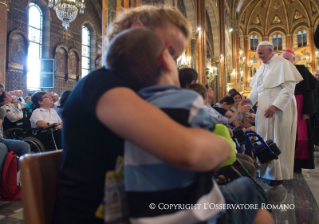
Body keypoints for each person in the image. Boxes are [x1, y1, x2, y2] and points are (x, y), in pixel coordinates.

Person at [52, 6, 238, 224]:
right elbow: (189, 152)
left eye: (175, 57)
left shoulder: (142, 94)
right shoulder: (102, 84)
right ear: (137, 31)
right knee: (247, 196)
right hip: (101, 216)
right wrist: (223, 147)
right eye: (168, 51)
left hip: (144, 209)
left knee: (243, 194)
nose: (171, 65)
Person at [106, 27, 270, 224]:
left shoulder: (129, 106)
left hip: (141, 213)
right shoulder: (183, 101)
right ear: (166, 60)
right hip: (192, 214)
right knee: (249, 190)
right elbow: (219, 153)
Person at [241, 41, 303, 186]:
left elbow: (288, 89)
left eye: (261, 53)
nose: (258, 56)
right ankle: (266, 171)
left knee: (277, 138)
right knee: (265, 138)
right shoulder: (263, 67)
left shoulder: (283, 64)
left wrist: (275, 106)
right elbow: (258, 88)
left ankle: (278, 174)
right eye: (257, 53)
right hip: (264, 110)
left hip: (280, 110)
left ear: (270, 51)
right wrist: (249, 100)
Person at [281, 50, 317, 173]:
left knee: (300, 135)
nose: (285, 61)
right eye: (283, 59)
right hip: (284, 107)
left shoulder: (302, 71)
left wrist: (307, 110)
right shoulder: (279, 72)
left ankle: (297, 164)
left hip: (300, 107)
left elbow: (309, 93)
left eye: (288, 59)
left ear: (293, 59)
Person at [0, 107, 30, 181]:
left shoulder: (1, 111)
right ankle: (2, 182)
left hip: (1, 139)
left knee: (24, 146)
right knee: (2, 147)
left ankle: (18, 179)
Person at [312, 70, 319, 147]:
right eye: (316, 75)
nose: (317, 76)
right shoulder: (311, 84)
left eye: (318, 75)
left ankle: (315, 141)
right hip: (312, 108)